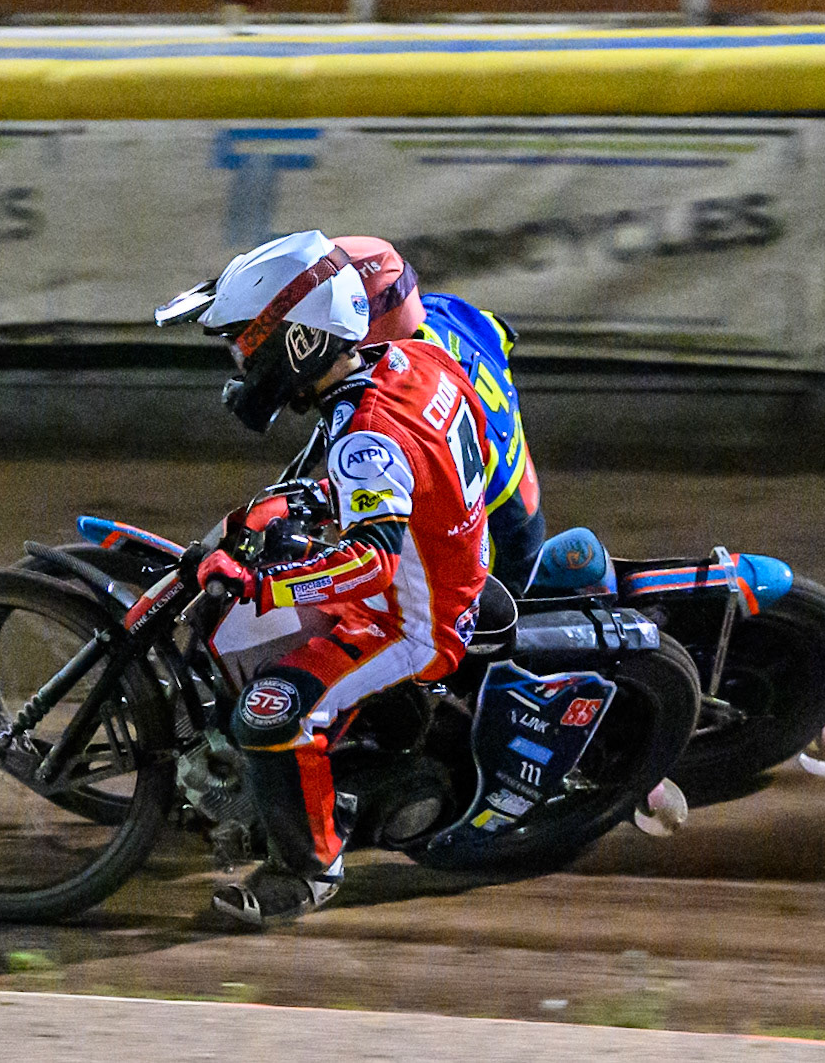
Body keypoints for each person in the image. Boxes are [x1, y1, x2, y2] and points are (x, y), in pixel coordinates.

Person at [155, 229, 492, 925]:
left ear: (302, 341)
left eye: (248, 343)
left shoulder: (366, 436)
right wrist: (321, 506)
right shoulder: (415, 358)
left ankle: (309, 872)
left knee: (271, 710)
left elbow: (372, 562)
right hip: (451, 568)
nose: (243, 360)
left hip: (412, 624)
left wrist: (263, 584)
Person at [312, 237, 547, 594]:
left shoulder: (401, 391)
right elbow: (500, 334)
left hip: (496, 547)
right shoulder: (447, 311)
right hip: (522, 499)